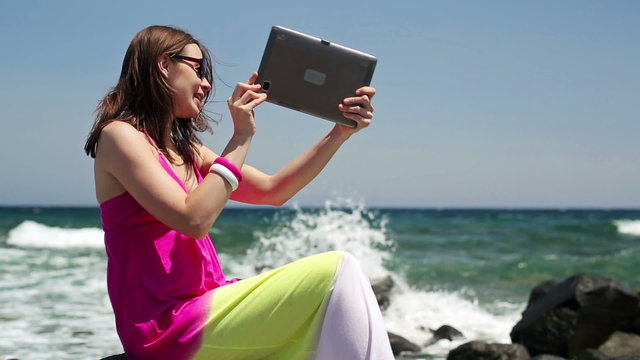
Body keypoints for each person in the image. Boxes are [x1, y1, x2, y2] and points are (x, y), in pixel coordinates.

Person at [84, 25, 394, 360]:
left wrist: (339, 132)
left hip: (206, 307)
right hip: (166, 329)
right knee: (339, 269)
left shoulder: (188, 152)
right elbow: (192, 218)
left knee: (331, 303)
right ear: (163, 64)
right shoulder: (119, 136)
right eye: (198, 69)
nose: (206, 84)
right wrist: (241, 137)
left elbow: (274, 190)